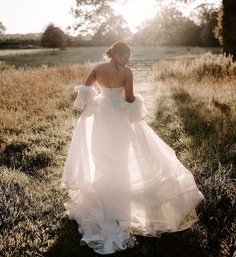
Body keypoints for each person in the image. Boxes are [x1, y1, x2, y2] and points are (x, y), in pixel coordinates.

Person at [60, 41, 205, 255]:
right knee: (117, 156)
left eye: (129, 56)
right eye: (125, 56)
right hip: (117, 117)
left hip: (101, 116)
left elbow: (85, 92)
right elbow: (128, 99)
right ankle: (118, 198)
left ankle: (107, 195)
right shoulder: (127, 73)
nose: (128, 60)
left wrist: (97, 102)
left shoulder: (98, 69)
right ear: (116, 54)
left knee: (102, 155)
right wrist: (135, 103)